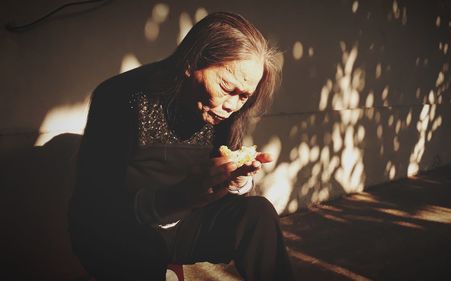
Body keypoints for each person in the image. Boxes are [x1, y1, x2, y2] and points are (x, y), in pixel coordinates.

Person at [68, 11, 295, 281]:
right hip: (119, 227)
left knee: (258, 214)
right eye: (226, 87)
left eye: (244, 96)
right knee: (145, 249)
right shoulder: (122, 97)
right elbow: (96, 204)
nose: (232, 106)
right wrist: (177, 196)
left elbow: (221, 194)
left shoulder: (225, 112)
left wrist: (234, 181)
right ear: (191, 62)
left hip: (185, 224)